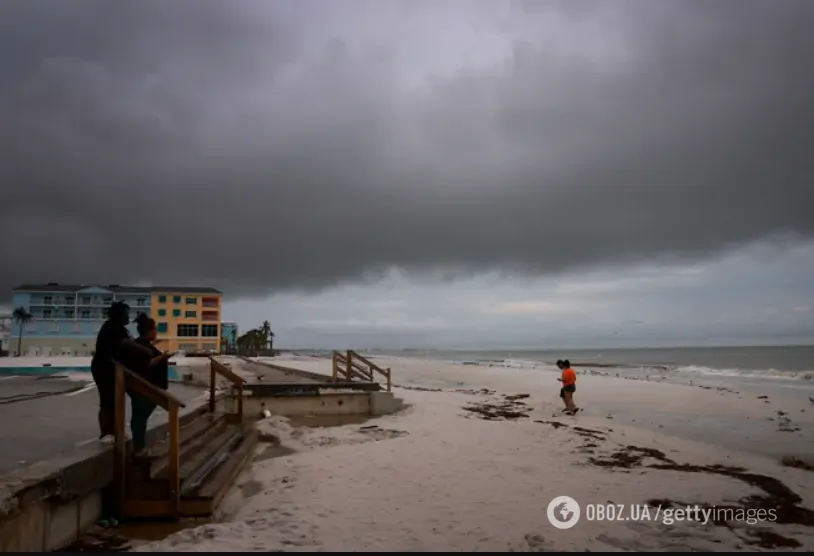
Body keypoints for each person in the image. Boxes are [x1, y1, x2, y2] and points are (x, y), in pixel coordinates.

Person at [126, 313, 175, 457]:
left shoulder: (140, 344)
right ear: (149, 331)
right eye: (155, 330)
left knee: (139, 417)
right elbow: (146, 364)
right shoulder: (140, 346)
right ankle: (139, 448)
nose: (156, 332)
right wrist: (164, 357)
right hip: (145, 388)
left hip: (144, 387)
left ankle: (139, 447)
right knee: (140, 417)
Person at [90, 301, 134, 441]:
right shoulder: (111, 328)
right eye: (126, 314)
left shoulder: (120, 329)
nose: (129, 317)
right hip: (103, 368)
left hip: (113, 369)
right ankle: (106, 433)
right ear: (119, 315)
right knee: (107, 400)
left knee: (115, 400)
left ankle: (115, 431)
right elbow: (119, 349)